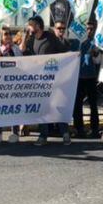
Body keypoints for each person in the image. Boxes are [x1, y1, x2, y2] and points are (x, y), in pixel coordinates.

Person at [25, 16, 71, 146]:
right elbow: (25, 54)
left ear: (38, 26)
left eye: (31, 25)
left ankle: (65, 133)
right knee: (43, 108)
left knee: (57, 106)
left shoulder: (50, 37)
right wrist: (24, 39)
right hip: (39, 81)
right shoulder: (31, 39)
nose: (29, 27)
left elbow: (64, 51)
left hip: (54, 79)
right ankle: (43, 135)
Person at [0, 26, 22, 143]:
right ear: (0, 36)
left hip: (14, 84)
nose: (8, 36)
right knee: (0, 108)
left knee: (14, 108)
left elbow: (22, 63)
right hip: (0, 85)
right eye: (5, 34)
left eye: (9, 34)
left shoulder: (16, 49)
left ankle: (15, 132)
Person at [72, 20, 101, 139]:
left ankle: (95, 129)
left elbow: (98, 60)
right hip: (78, 77)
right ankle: (79, 129)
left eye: (91, 29)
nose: (89, 31)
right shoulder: (77, 41)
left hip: (91, 77)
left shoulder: (96, 42)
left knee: (93, 105)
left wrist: (96, 53)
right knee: (77, 104)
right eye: (87, 28)